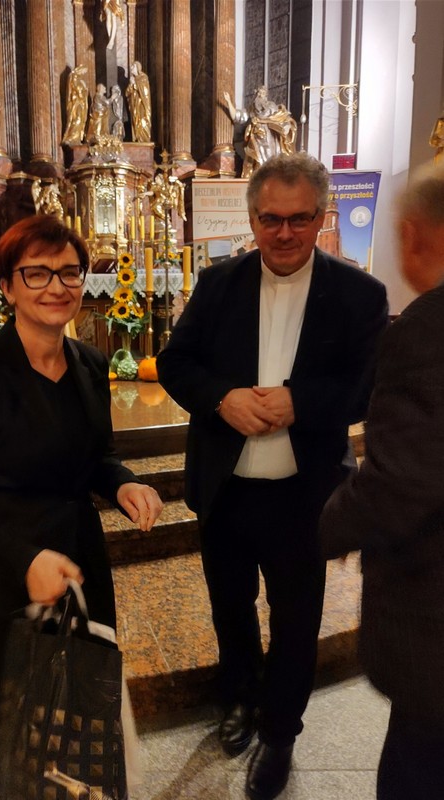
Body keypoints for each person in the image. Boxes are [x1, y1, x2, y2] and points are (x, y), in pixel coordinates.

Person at [156, 152, 388, 800]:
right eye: (270, 220)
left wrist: (299, 402)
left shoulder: (360, 294)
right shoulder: (217, 283)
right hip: (226, 488)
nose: (284, 233)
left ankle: (281, 732)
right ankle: (237, 698)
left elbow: (370, 387)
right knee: (230, 608)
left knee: (295, 621)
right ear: (253, 218)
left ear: (322, 216)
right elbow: (174, 363)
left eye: (299, 219)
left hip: (303, 495)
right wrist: (221, 398)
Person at [0, 214, 163, 712]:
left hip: (82, 570)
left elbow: (99, 456)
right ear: (8, 287)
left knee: (89, 713)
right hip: (3, 582)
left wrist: (123, 484)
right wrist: (27, 559)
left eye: (69, 272)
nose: (56, 287)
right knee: (27, 728)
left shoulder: (90, 363)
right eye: (37, 273)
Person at [320, 162, 444, 800]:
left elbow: (402, 483)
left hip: (434, 623)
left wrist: (328, 526)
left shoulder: (426, 332)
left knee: (416, 772)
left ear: (414, 235)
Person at [224, 87, 297, 179]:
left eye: (262, 94)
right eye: (258, 94)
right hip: (256, 139)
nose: (260, 96)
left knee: (272, 164)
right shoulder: (251, 109)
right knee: (258, 163)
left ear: (266, 96)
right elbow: (237, 116)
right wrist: (228, 101)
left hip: (271, 140)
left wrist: (285, 127)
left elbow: (281, 119)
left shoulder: (272, 107)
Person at [62, 65, 89, 145]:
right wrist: (84, 89)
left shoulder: (80, 80)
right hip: (76, 102)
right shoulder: (74, 77)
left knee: (80, 119)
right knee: (77, 118)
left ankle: (76, 138)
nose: (84, 73)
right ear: (80, 70)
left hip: (81, 103)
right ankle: (71, 137)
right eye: (84, 71)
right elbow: (76, 89)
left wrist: (85, 89)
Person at [126, 61, 151, 143]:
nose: (131, 68)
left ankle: (144, 139)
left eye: (132, 67)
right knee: (135, 120)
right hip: (134, 105)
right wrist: (131, 84)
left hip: (142, 104)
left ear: (137, 67)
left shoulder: (143, 77)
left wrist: (134, 84)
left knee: (142, 120)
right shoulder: (133, 79)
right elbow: (127, 93)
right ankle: (137, 138)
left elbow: (145, 92)